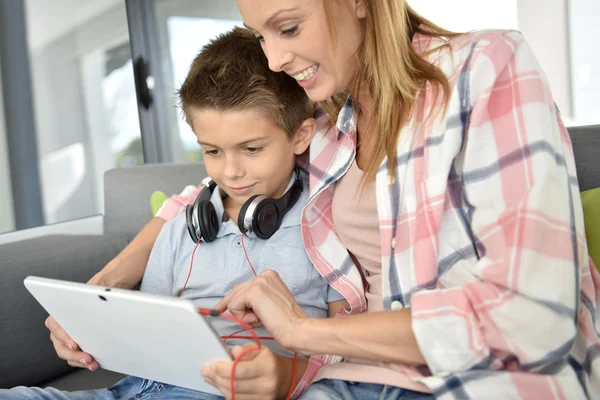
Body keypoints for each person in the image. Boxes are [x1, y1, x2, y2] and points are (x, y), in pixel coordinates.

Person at [48, 1, 600, 399]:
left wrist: (303, 333)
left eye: (287, 27)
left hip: (476, 383)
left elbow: (532, 316)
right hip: (344, 380)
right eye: (259, 35)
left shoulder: (486, 67)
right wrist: (100, 293)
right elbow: (207, 195)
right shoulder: (330, 127)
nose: (274, 58)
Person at [2, 27, 348, 400]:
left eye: (250, 149)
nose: (230, 171)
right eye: (212, 151)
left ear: (300, 135)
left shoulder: (327, 224)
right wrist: (88, 330)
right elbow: (150, 328)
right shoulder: (182, 227)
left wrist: (287, 376)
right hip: (134, 388)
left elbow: (344, 349)